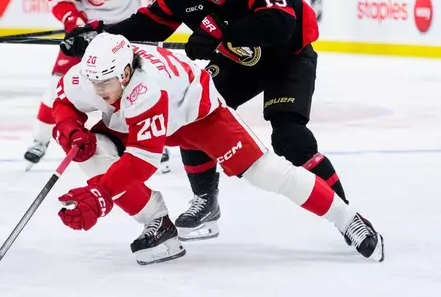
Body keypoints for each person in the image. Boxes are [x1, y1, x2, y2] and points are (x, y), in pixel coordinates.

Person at [59, 0, 364, 245]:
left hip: (287, 57)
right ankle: (207, 201)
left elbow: (280, 25)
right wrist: (100, 33)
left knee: (290, 139)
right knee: (194, 107)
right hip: (238, 58)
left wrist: (219, 34)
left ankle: (345, 214)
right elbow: (154, 23)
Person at [54, 32, 384, 265]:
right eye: (93, 83)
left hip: (200, 116)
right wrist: (70, 128)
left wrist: (99, 196)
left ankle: (347, 218)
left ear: (126, 73)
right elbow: (62, 102)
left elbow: (142, 160)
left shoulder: (146, 89)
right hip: (141, 119)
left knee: (267, 173)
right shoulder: (95, 76)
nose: (98, 90)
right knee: (91, 151)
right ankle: (159, 226)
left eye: (105, 84)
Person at [23, 0, 171, 170]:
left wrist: (157, 11)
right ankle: (40, 139)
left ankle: (159, 143)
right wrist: (76, 24)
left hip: (131, 31)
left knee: (150, 84)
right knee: (58, 84)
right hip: (89, 33)